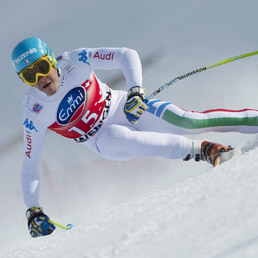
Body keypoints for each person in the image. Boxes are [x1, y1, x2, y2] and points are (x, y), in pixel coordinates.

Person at [11, 37, 258, 238]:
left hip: (126, 108)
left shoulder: (75, 61)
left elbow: (125, 54)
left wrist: (135, 90)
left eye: (42, 67)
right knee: (114, 135)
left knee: (187, 121)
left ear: (51, 58)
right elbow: (30, 167)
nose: (40, 79)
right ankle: (207, 151)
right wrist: (33, 210)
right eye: (29, 76)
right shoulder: (34, 112)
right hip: (104, 141)